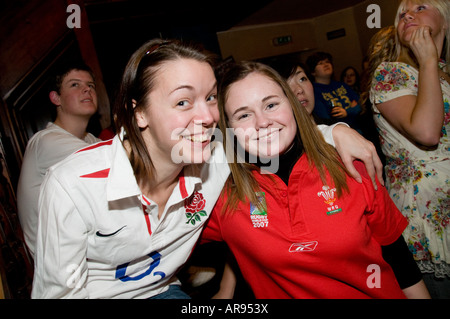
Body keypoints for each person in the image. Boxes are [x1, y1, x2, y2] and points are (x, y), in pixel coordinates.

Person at [31, 39, 386, 299]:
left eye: (211, 98)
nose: (206, 117)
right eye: (183, 101)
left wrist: (335, 131)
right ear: (138, 112)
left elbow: (269, 133)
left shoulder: (216, 156)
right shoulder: (73, 184)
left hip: (166, 292)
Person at [201, 61, 430, 299]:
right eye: (244, 114)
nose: (262, 122)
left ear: (292, 105)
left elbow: (398, 258)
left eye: (271, 104)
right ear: (228, 129)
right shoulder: (221, 196)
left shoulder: (351, 164)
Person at [368, 0, 450, 298]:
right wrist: (427, 60)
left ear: (445, 19)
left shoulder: (446, 74)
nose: (408, 15)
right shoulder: (391, 73)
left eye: (420, 7)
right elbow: (427, 132)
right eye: (402, 13)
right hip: (427, 215)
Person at [17, 62, 100, 259]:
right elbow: (120, 166)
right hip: (59, 265)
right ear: (56, 98)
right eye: (75, 85)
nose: (87, 89)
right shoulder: (46, 142)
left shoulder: (88, 139)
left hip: (81, 250)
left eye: (91, 85)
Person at [306, 52, 363, 134]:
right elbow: (327, 120)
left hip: (358, 130)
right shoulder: (314, 92)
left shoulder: (342, 85)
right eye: (321, 63)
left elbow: (361, 105)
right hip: (339, 134)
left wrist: (347, 112)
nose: (326, 65)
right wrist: (352, 110)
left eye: (327, 62)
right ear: (313, 72)